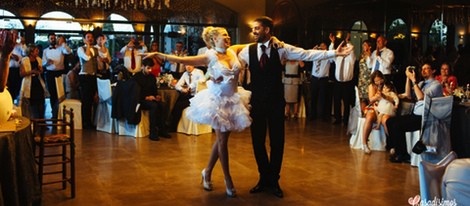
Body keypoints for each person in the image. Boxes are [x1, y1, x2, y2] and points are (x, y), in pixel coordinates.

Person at [237, 16, 353, 198]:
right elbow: (230, 59)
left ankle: (274, 180)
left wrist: (334, 54)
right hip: (257, 103)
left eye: (257, 28)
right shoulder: (246, 51)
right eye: (254, 29)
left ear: (267, 30)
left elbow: (306, 54)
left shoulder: (282, 49)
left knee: (277, 142)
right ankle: (264, 178)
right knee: (257, 142)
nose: (254, 32)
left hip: (276, 103)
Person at [141, 26, 252, 198]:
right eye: (224, 36)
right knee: (222, 141)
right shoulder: (209, 56)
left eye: (229, 35)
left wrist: (271, 41)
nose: (228, 38)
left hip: (234, 100)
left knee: (222, 140)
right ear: (214, 40)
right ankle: (228, 179)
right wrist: (159, 55)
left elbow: (252, 45)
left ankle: (207, 172)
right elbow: (183, 60)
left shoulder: (233, 50)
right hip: (218, 101)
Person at [386, 62, 443, 163]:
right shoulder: (421, 84)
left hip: (425, 118)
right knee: (390, 121)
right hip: (415, 114)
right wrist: (408, 78)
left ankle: (402, 154)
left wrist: (413, 81)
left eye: (426, 68)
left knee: (397, 126)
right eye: (422, 69)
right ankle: (398, 150)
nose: (423, 71)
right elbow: (408, 95)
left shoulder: (436, 85)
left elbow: (421, 97)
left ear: (433, 71)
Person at [133, 59, 170, 141]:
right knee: (154, 106)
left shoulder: (152, 77)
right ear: (143, 66)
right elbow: (135, 93)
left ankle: (162, 129)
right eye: (148, 68)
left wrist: (156, 96)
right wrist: (146, 97)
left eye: (151, 68)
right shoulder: (136, 77)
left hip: (151, 99)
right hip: (141, 99)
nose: (150, 70)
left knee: (163, 105)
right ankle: (152, 132)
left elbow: (154, 90)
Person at [42, 33, 72, 119]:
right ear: (48, 40)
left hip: (60, 73)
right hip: (50, 74)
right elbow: (43, 63)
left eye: (54, 38)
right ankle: (54, 112)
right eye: (51, 38)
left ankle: (61, 112)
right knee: (52, 94)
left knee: (61, 93)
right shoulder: (45, 51)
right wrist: (47, 63)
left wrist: (63, 43)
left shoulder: (61, 48)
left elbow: (68, 51)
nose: (53, 40)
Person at [168, 64, 205, 132]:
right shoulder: (185, 74)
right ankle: (170, 123)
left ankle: (173, 126)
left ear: (194, 65)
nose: (188, 67)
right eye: (186, 65)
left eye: (190, 65)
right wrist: (182, 89)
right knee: (175, 102)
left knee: (179, 105)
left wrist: (190, 87)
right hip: (189, 95)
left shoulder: (199, 72)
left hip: (197, 97)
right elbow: (177, 85)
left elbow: (202, 80)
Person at [77, 31, 101, 129]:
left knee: (92, 100)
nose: (90, 39)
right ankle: (85, 123)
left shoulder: (95, 49)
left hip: (93, 76)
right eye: (87, 37)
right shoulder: (80, 49)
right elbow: (86, 58)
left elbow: (103, 57)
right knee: (86, 101)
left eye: (91, 37)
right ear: (84, 39)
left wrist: (102, 44)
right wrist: (87, 45)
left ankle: (91, 121)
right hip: (85, 76)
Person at [332, 33, 356, 126]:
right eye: (342, 48)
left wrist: (347, 42)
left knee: (346, 102)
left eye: (345, 48)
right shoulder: (337, 57)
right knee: (337, 101)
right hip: (338, 83)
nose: (344, 49)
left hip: (347, 83)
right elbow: (331, 52)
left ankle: (346, 120)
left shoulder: (351, 58)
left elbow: (352, 48)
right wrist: (333, 43)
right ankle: (337, 118)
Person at [19, 44, 49, 119]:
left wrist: (40, 70)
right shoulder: (24, 60)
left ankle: (41, 120)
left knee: (41, 101)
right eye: (36, 51)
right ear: (31, 52)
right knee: (31, 103)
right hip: (29, 82)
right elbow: (22, 74)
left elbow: (41, 71)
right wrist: (32, 71)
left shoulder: (38, 59)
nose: (38, 52)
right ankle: (32, 120)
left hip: (37, 81)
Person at [310, 39, 334, 121]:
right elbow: (309, 56)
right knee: (313, 97)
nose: (321, 47)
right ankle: (312, 115)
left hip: (323, 79)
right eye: (321, 46)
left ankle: (322, 116)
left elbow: (332, 55)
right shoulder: (315, 54)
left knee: (322, 98)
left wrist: (332, 43)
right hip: (314, 78)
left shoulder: (327, 56)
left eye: (323, 46)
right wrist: (313, 50)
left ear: (326, 48)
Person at [357, 40, 372, 112]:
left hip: (368, 78)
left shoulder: (372, 54)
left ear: (369, 46)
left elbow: (370, 65)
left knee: (369, 97)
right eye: (363, 45)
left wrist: (369, 55)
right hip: (361, 78)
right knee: (362, 98)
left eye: (365, 45)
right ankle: (363, 113)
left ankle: (370, 112)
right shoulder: (362, 54)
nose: (364, 46)